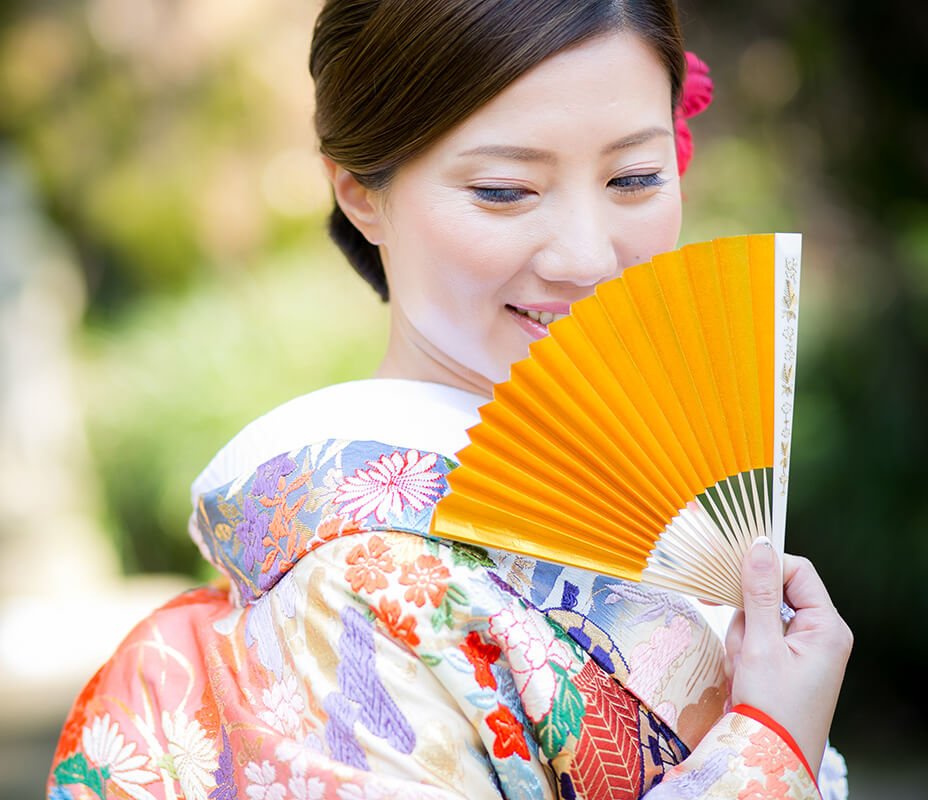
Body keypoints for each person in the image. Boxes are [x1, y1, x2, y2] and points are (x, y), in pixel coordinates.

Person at [46, 1, 853, 798]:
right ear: (362, 192)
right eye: (506, 190)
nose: (588, 255)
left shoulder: (653, 506)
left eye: (634, 178)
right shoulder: (350, 591)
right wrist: (769, 751)